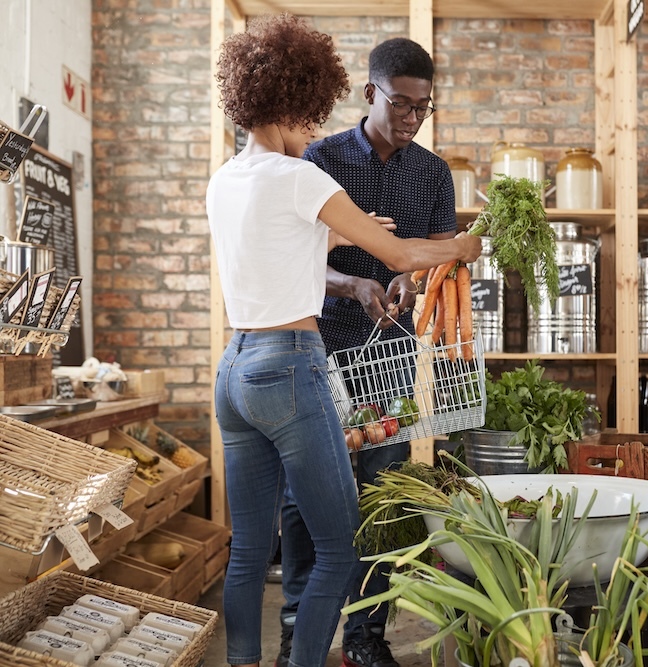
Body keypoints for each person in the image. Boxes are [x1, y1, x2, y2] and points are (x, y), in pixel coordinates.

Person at [207, 16, 480, 667]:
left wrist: (348, 246)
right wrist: (462, 245)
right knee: (336, 541)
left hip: (237, 368)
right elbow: (396, 248)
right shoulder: (306, 171)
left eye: (424, 106)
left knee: (249, 545)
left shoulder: (225, 179)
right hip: (301, 362)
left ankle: (298, 650)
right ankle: (310, 651)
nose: (312, 125)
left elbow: (279, 245)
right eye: (308, 111)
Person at [276, 37, 453, 667]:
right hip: (318, 351)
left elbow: (435, 258)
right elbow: (291, 260)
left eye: (422, 108)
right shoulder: (317, 161)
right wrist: (352, 281)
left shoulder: (433, 173)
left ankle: (365, 638)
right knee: (305, 498)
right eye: (400, 104)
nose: (410, 118)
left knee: (383, 498)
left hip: (390, 361)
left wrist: (414, 279)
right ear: (370, 93)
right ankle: (298, 635)